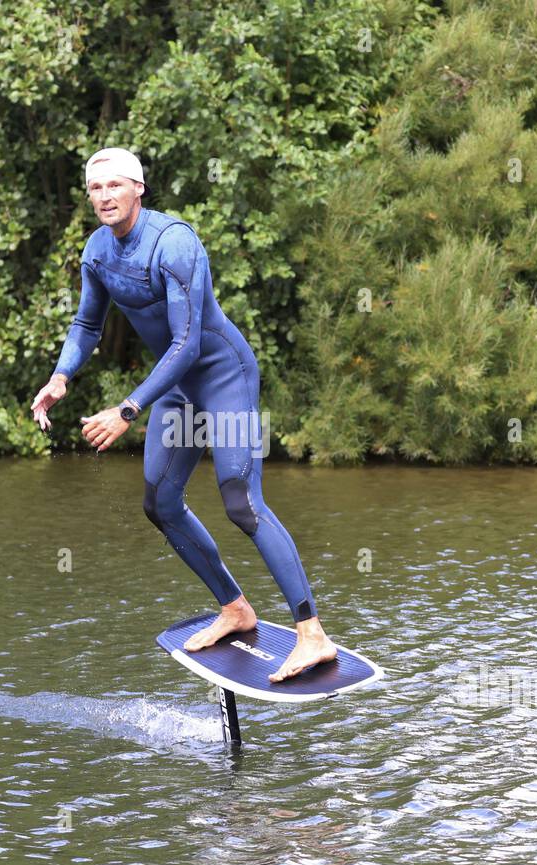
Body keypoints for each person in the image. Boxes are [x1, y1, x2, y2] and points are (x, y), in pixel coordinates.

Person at [30, 147, 336, 683]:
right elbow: (86, 325)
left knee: (241, 503)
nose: (104, 197)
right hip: (178, 388)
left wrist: (128, 408)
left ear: (138, 189)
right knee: (161, 502)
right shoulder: (98, 252)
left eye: (114, 186)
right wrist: (61, 377)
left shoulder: (175, 242)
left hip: (223, 378)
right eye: (95, 188)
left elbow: (188, 343)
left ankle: (313, 634)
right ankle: (236, 608)